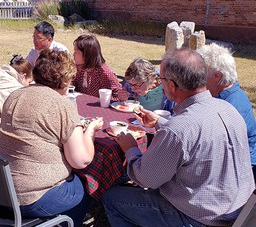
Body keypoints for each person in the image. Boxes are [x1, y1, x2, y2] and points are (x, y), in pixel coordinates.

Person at [102, 48, 254, 227]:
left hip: (199, 218)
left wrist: (131, 149)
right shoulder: (227, 109)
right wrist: (160, 123)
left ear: (172, 85)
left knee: (111, 198)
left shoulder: (179, 128)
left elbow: (146, 179)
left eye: (163, 79)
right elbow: (196, 136)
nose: (160, 83)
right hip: (238, 211)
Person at [0, 49, 103, 226]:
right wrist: (89, 131)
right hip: (30, 198)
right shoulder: (62, 105)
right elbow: (81, 161)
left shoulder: (15, 95)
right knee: (88, 185)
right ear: (66, 80)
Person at [197, 43, 256, 179]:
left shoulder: (230, 107)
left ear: (217, 76)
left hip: (241, 171)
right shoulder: (226, 94)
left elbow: (216, 152)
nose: (198, 78)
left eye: (202, 73)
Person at [72, 34, 121, 102]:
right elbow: (72, 86)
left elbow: (117, 95)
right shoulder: (78, 68)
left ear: (87, 55)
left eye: (76, 52)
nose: (73, 54)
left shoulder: (103, 72)